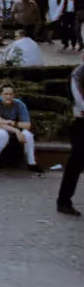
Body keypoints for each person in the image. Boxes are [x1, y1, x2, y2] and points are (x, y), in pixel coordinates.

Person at [0, 84, 40, 172]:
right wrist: (16, 130)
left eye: (11, 94)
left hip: (11, 127)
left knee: (28, 135)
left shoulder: (19, 104)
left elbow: (27, 125)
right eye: (6, 94)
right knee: (2, 134)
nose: (8, 97)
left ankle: (32, 163)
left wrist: (12, 123)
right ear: (0, 94)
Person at [58, 55, 84, 216]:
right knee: (76, 162)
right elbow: (79, 99)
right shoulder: (78, 73)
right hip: (82, 123)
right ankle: (63, 200)